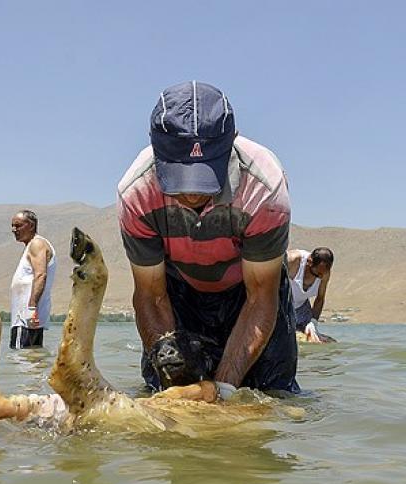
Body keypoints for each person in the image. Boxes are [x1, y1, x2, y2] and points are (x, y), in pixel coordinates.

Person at [117, 81, 298, 402]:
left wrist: (224, 392)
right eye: (179, 178)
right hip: (178, 293)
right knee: (166, 398)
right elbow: (151, 296)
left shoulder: (264, 187)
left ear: (231, 143)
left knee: (270, 398)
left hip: (251, 290)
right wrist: (179, 391)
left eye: (205, 176)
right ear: (156, 149)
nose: (192, 194)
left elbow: (260, 298)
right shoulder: (136, 192)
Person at [10, 210, 56, 349]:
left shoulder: (37, 244)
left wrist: (31, 307)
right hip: (27, 317)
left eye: (18, 226)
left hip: (26, 317)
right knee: (32, 360)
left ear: (31, 226)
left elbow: (40, 275)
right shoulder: (32, 246)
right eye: (12, 226)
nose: (14, 230)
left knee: (21, 358)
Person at [287, 247, 334, 342]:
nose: (321, 277)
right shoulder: (292, 260)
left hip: (301, 309)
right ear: (309, 262)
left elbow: (320, 298)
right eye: (318, 274)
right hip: (280, 306)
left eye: (324, 273)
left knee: (316, 340)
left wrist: (313, 322)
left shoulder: (324, 273)